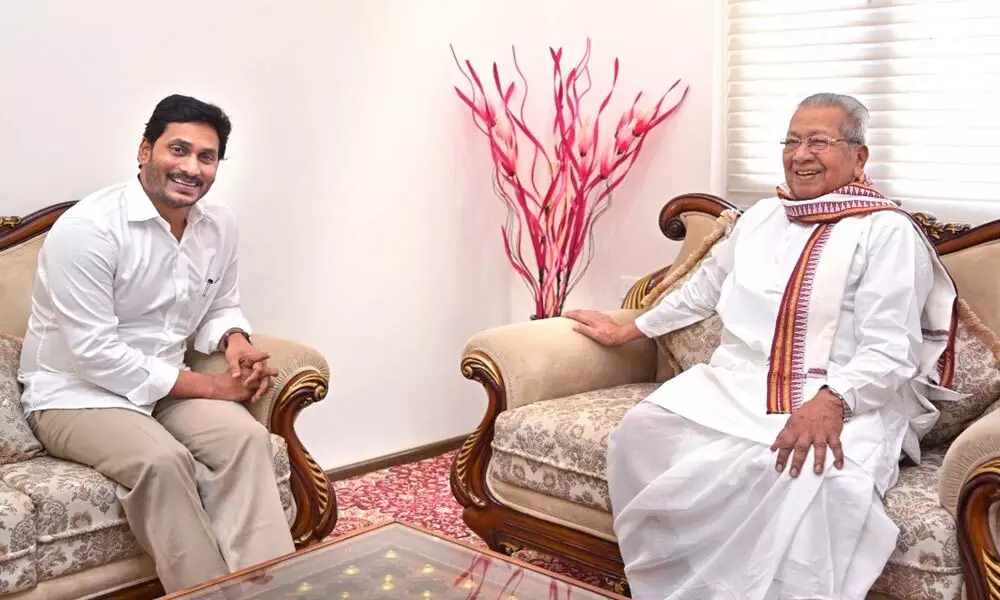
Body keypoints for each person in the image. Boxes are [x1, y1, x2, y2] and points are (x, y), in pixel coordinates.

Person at [565, 93, 961, 600]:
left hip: (844, 396)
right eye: (792, 141)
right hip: (737, 382)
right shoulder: (760, 218)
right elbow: (702, 290)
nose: (801, 154)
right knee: (643, 431)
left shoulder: (886, 232)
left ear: (859, 157)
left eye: (819, 141)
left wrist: (834, 400)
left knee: (819, 483)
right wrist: (633, 327)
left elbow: (891, 350)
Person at [18, 94, 295, 593]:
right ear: (145, 151)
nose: (191, 168)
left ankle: (267, 588)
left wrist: (235, 342)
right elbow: (95, 355)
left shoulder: (218, 226)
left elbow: (219, 304)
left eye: (206, 157)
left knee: (247, 440)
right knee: (162, 462)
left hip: (164, 387)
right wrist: (214, 388)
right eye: (178, 150)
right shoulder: (87, 231)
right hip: (75, 395)